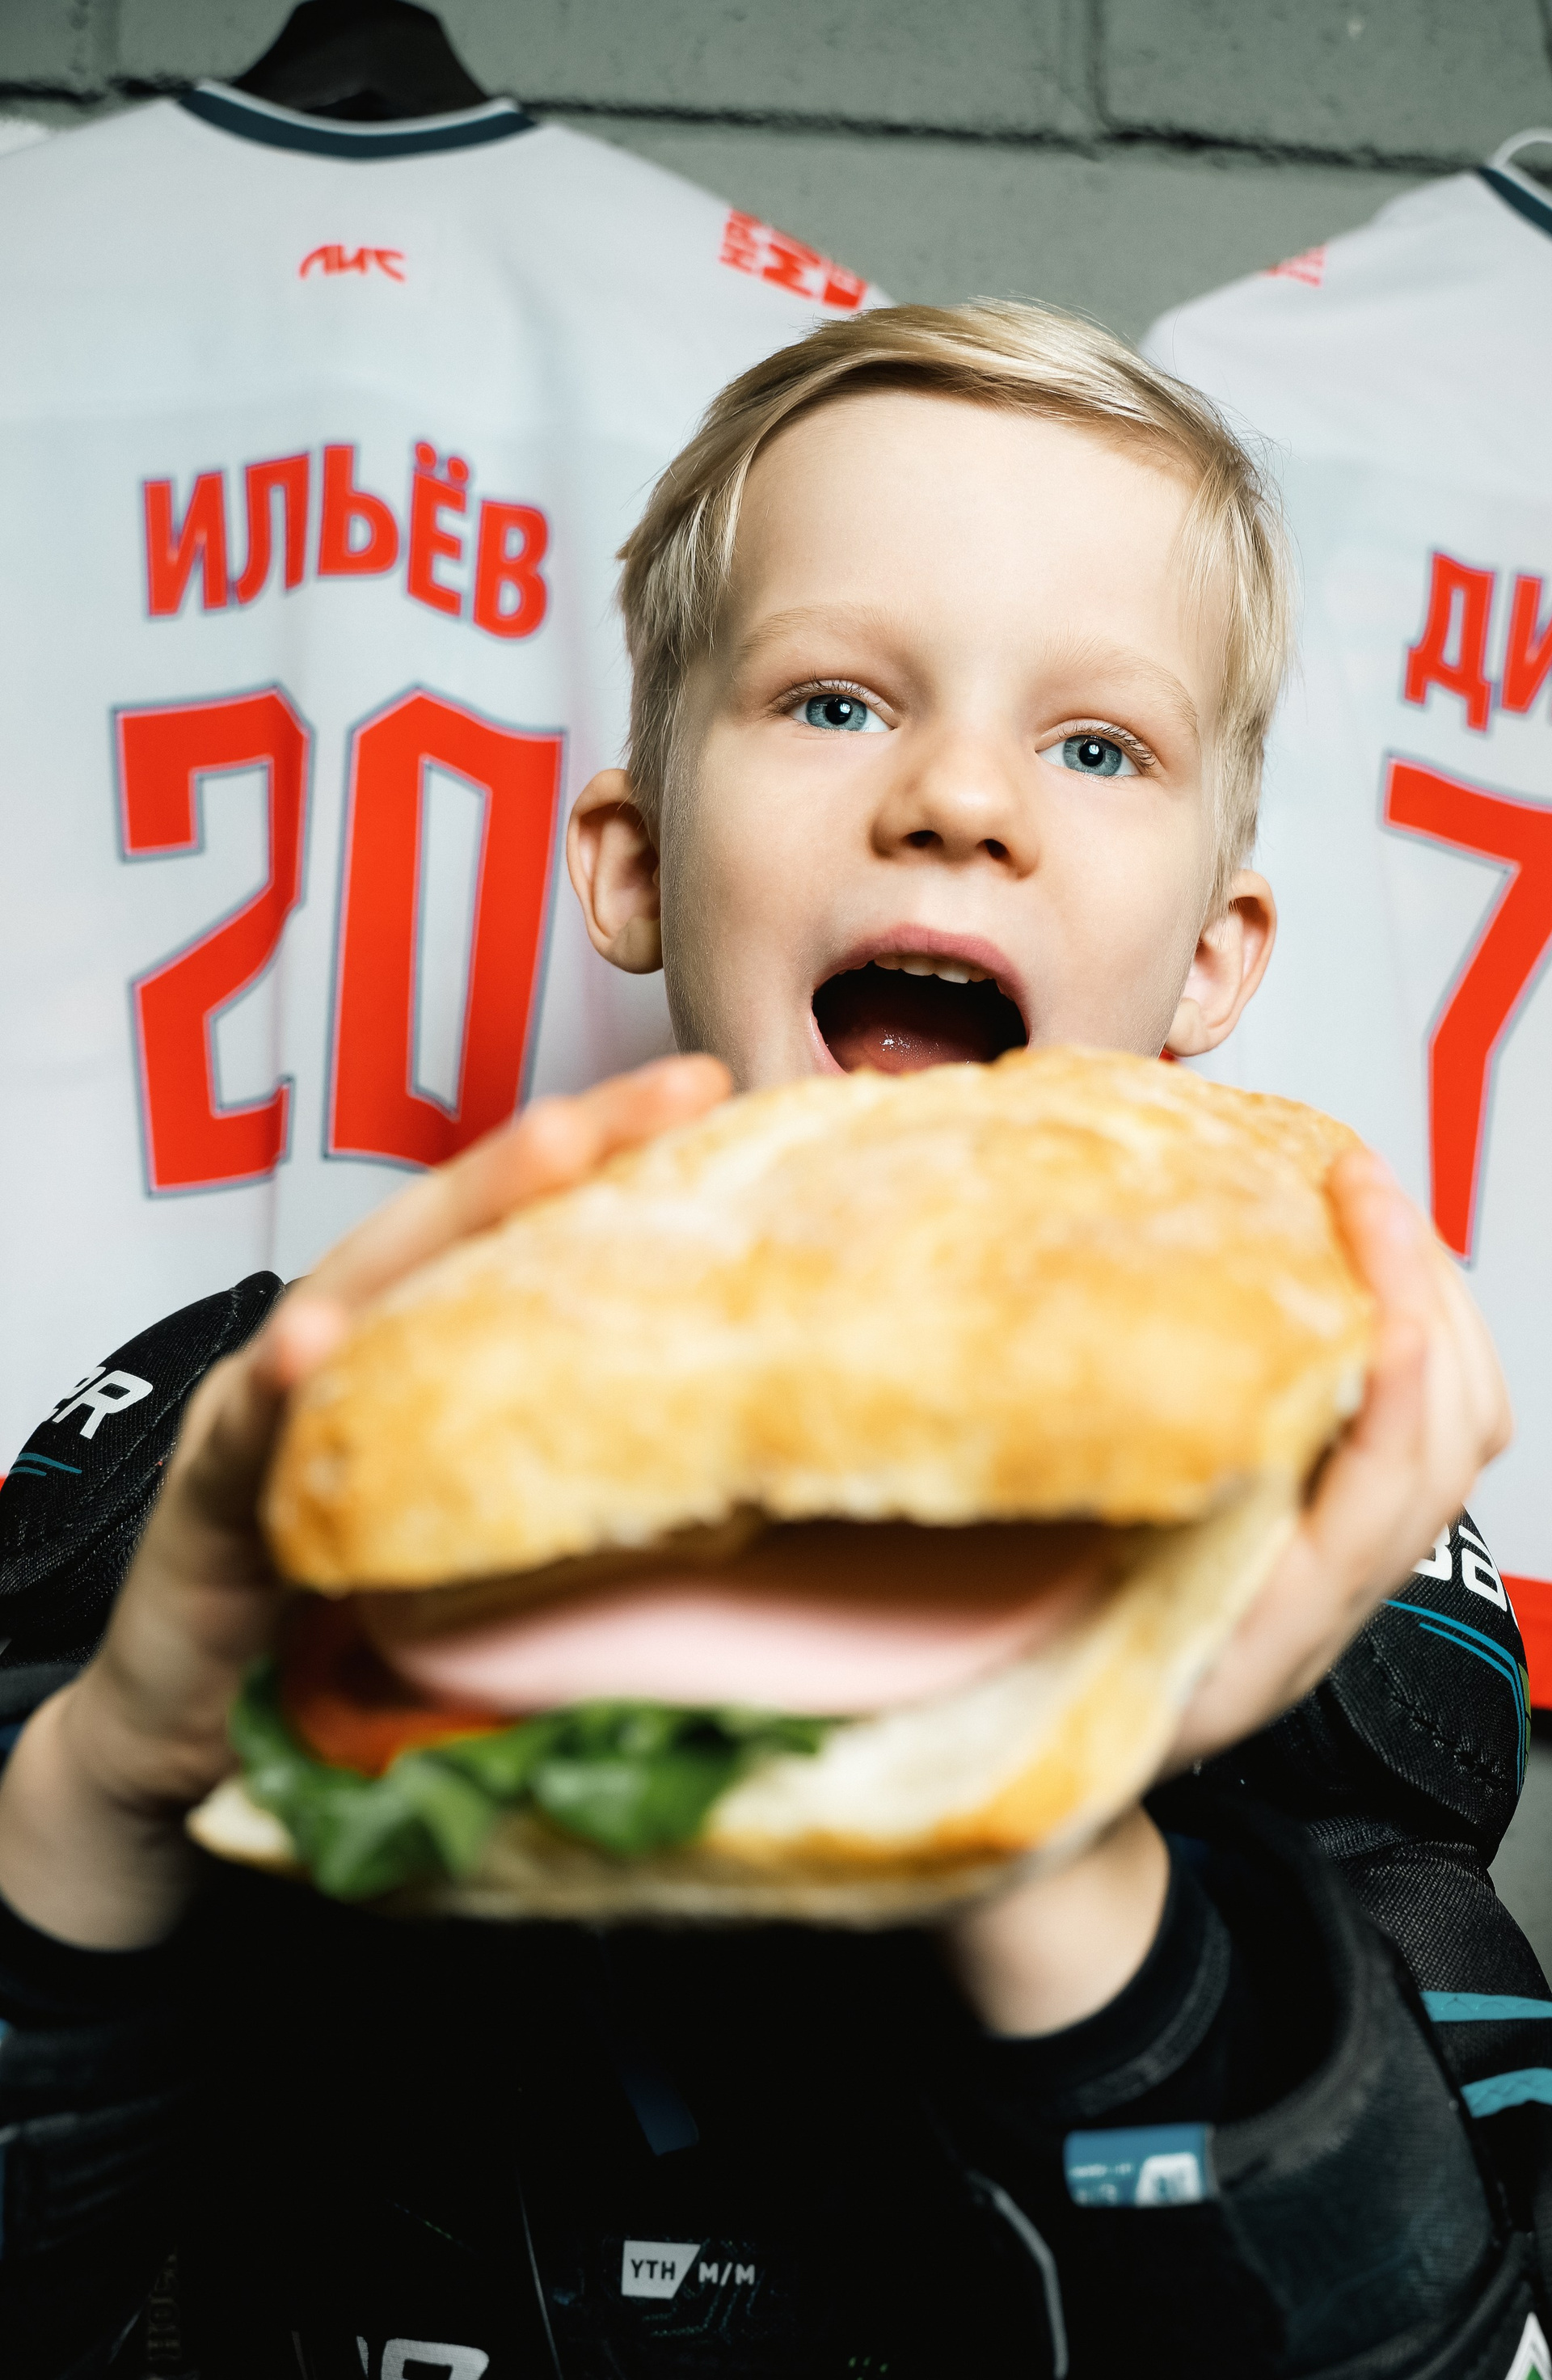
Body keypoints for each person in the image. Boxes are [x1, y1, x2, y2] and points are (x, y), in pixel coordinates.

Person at [0, 304, 1537, 2379]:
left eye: (1097, 746)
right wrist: (100, 1786)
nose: (960, 795)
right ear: (635, 865)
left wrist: (1059, 1839)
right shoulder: (247, 1456)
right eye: (832, 698)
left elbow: (1453, 2316)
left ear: (1211, 960)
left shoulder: (1315, 1538)